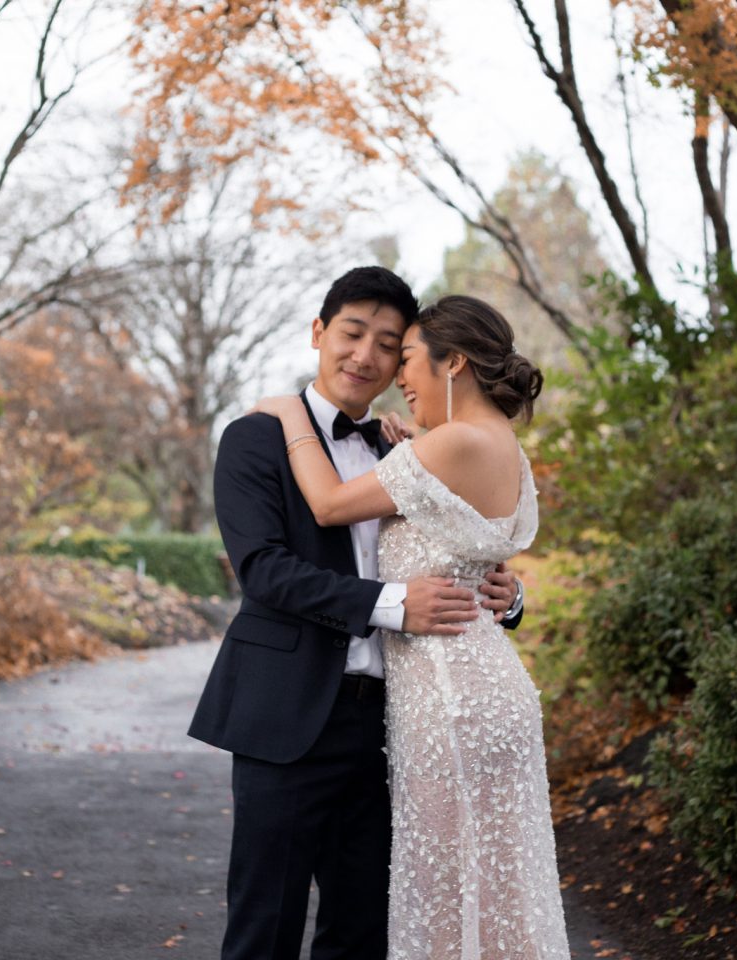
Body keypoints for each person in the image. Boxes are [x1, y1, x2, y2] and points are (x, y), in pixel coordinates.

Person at [190, 268, 525, 960]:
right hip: (287, 718)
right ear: (319, 333)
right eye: (352, 333)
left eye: (388, 345)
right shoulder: (255, 438)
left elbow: (461, 547)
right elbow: (265, 571)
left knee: (366, 929)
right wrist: (394, 604)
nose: (367, 356)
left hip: (391, 724)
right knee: (266, 925)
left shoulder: (402, 448)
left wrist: (506, 593)